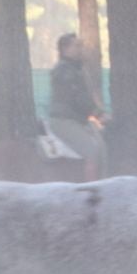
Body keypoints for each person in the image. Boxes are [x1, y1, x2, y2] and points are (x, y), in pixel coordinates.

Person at [47, 33, 107, 175]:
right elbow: (77, 97)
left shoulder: (76, 70)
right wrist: (99, 114)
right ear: (65, 49)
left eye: (81, 46)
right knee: (91, 150)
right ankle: (92, 189)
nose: (81, 49)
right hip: (64, 121)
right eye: (77, 46)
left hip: (77, 120)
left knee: (102, 146)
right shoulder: (64, 71)